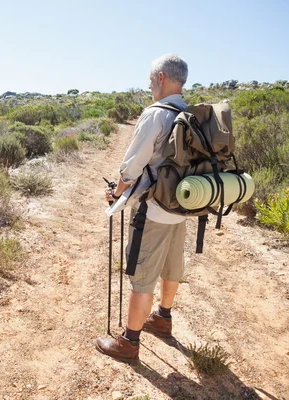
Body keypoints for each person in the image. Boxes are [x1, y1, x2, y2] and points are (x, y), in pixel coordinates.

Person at [95, 54, 189, 361]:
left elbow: (132, 167)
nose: (149, 86)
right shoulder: (191, 114)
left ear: (161, 78)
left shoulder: (156, 114)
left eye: (151, 80)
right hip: (185, 204)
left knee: (143, 275)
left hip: (155, 208)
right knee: (173, 265)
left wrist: (117, 191)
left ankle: (129, 343)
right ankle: (163, 318)